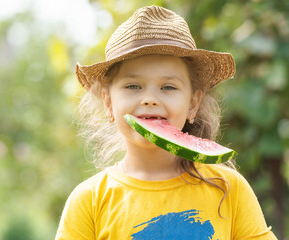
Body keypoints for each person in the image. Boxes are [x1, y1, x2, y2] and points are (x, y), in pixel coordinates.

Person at [55, 5, 277, 240]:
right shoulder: (89, 200)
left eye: (168, 87)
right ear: (108, 102)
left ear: (193, 103)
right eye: (133, 86)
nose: (150, 99)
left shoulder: (228, 188)